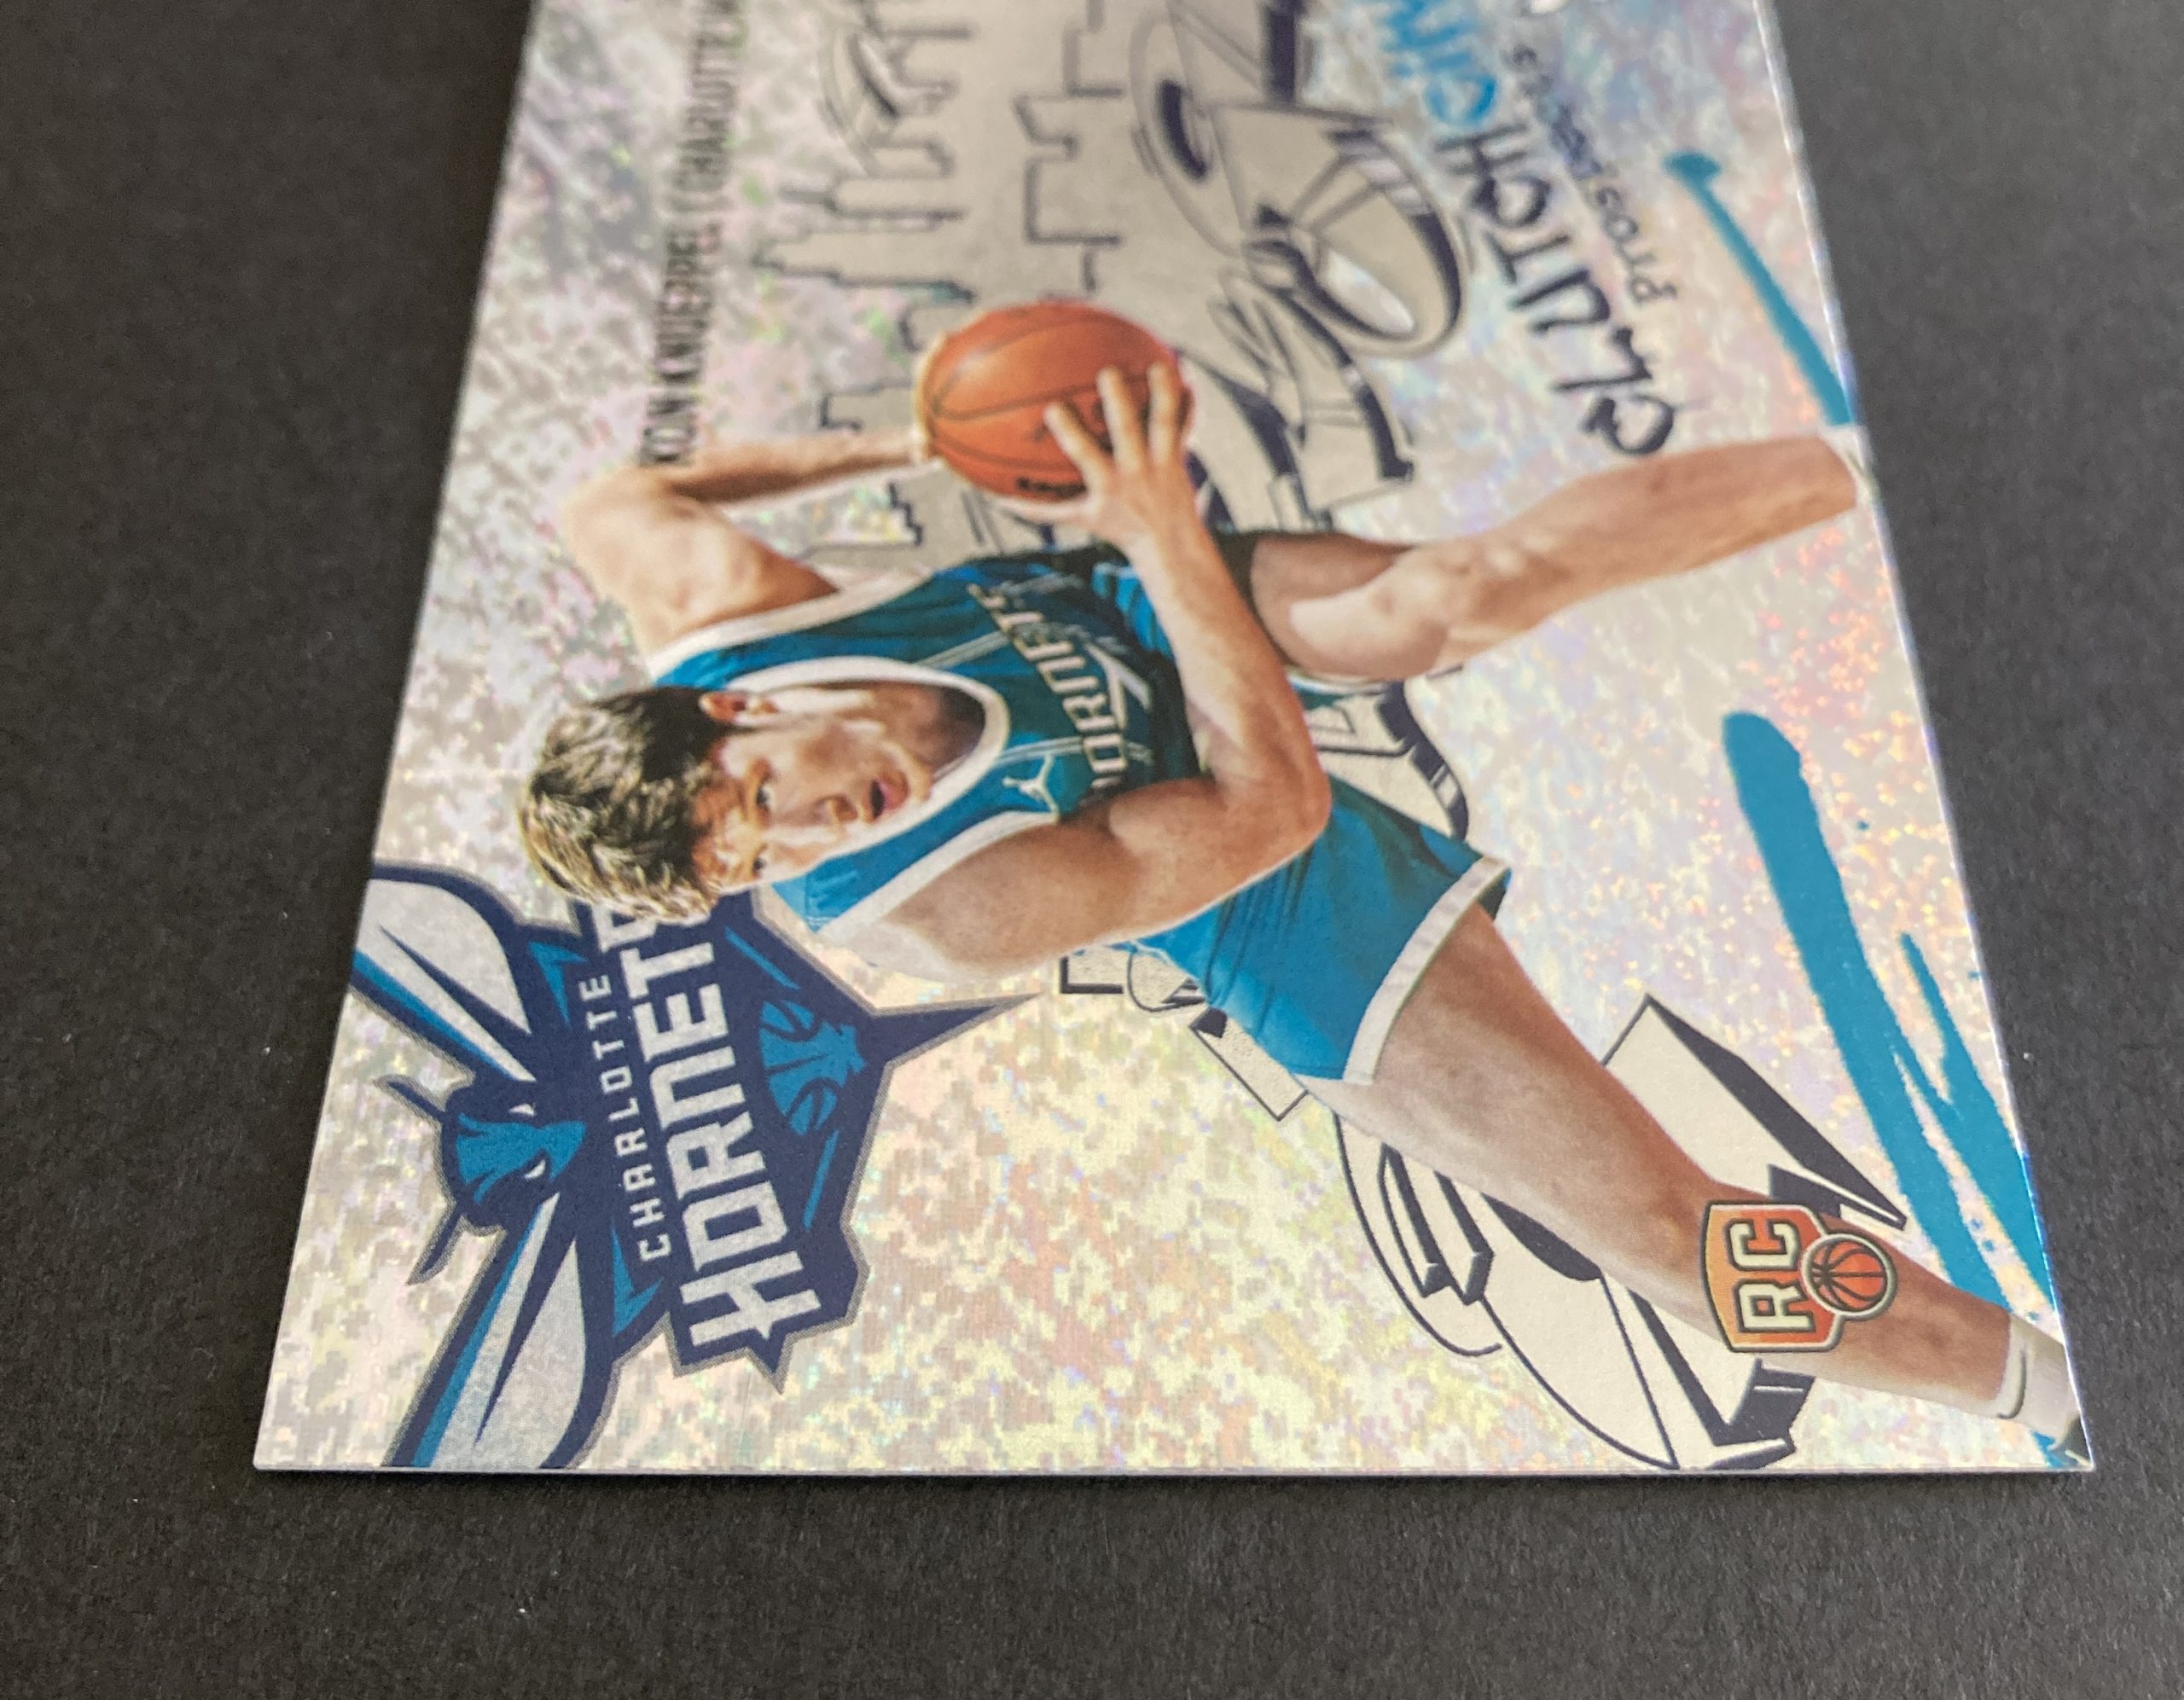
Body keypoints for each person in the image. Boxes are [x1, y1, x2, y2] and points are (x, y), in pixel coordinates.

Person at [520, 365, 2080, 1448]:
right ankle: (2055, 1393)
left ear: (735, 711)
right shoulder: (936, 908)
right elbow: (1274, 807)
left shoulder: (721, 609)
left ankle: (1885, 445)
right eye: (758, 863)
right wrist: (1159, 532)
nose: (804, 833)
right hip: (1262, 890)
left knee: (1449, 593)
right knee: (1674, 1250)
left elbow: (614, 495)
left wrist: (916, 441)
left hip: (1124, 622)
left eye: (762, 796)